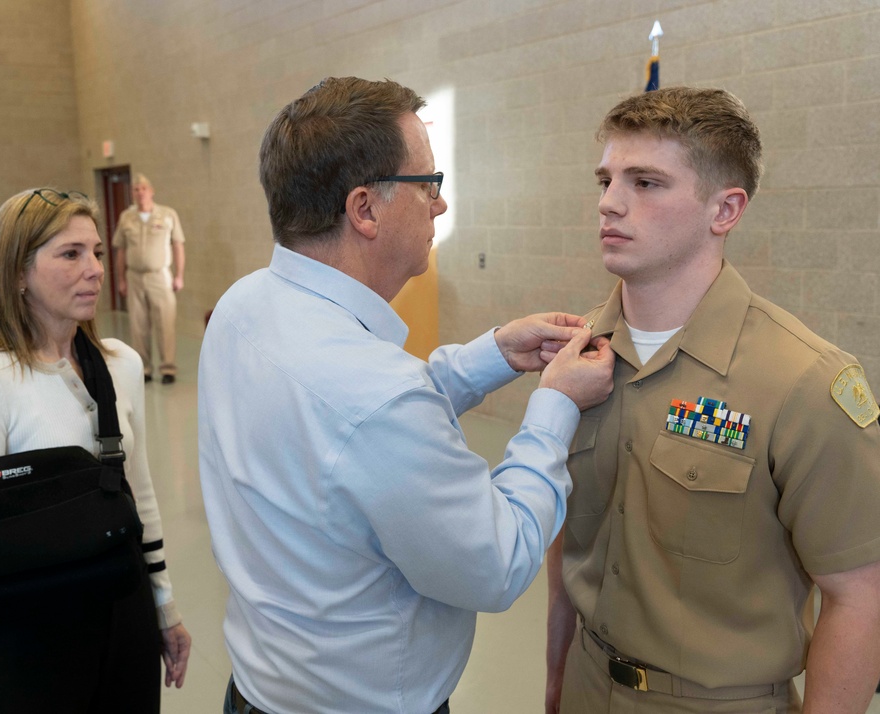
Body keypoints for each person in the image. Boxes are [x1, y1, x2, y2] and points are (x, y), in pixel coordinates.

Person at [198, 76, 616, 714]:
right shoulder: (376, 396)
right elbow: (497, 563)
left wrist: (491, 354)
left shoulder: (243, 306)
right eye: (430, 185)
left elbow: (349, 430)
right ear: (364, 209)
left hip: (258, 691)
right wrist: (554, 406)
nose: (440, 206)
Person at [545, 86, 880, 714]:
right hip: (589, 685)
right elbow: (568, 542)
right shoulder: (581, 357)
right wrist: (556, 681)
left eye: (646, 183)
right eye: (607, 179)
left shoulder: (803, 382)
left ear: (724, 210)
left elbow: (861, 596)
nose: (609, 203)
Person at [0, 188, 191, 712]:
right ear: (17, 273)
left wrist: (163, 605)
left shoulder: (120, 364)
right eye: (71, 254)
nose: (96, 269)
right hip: (32, 641)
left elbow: (138, 496)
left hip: (126, 615)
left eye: (96, 251)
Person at [113, 174, 186, 384]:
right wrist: (121, 280)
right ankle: (144, 368)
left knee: (165, 322)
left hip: (160, 275)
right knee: (138, 325)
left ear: (151, 191)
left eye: (143, 188)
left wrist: (179, 275)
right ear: (132, 193)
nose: (140, 192)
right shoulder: (126, 217)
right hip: (134, 276)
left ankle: (168, 368)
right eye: (136, 189)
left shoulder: (167, 214)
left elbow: (178, 245)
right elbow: (120, 250)